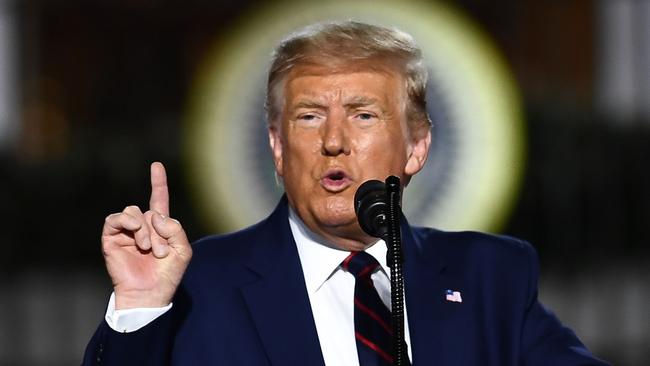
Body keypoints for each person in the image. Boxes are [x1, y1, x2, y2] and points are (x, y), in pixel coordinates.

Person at [82, 21, 609, 365]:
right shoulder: (198, 285)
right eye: (309, 117)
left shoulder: (491, 277)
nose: (333, 141)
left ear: (417, 148)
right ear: (278, 147)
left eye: (362, 115)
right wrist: (140, 307)